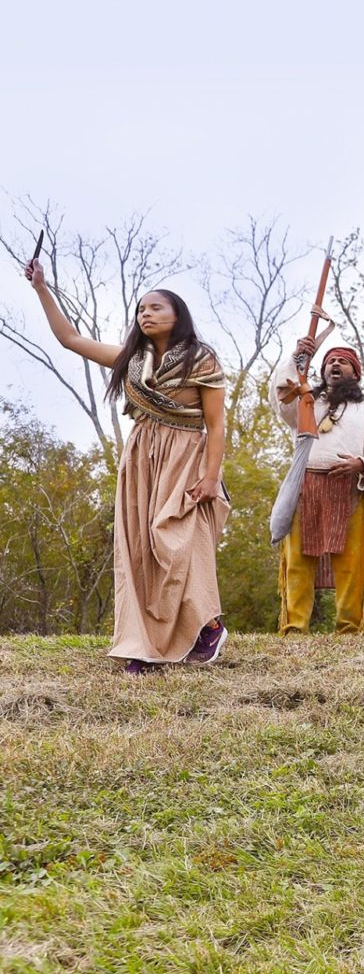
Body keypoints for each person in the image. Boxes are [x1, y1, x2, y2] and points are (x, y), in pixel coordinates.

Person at [26, 260, 228, 671]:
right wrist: (41, 288)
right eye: (141, 309)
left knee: (174, 540)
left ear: (178, 315)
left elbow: (216, 423)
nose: (146, 314)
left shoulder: (201, 360)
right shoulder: (131, 360)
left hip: (184, 456)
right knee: (139, 548)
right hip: (141, 457)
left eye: (156, 307)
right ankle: (142, 645)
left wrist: (210, 478)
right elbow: (69, 339)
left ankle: (207, 627)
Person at [268, 326, 364, 635]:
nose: (335, 365)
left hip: (348, 489)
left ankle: (349, 628)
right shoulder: (306, 402)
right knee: (298, 560)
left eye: (343, 362)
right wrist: (299, 356)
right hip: (305, 487)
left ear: (356, 373)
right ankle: (295, 626)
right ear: (322, 371)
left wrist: (361, 463)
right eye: (329, 361)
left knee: (351, 562)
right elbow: (280, 398)